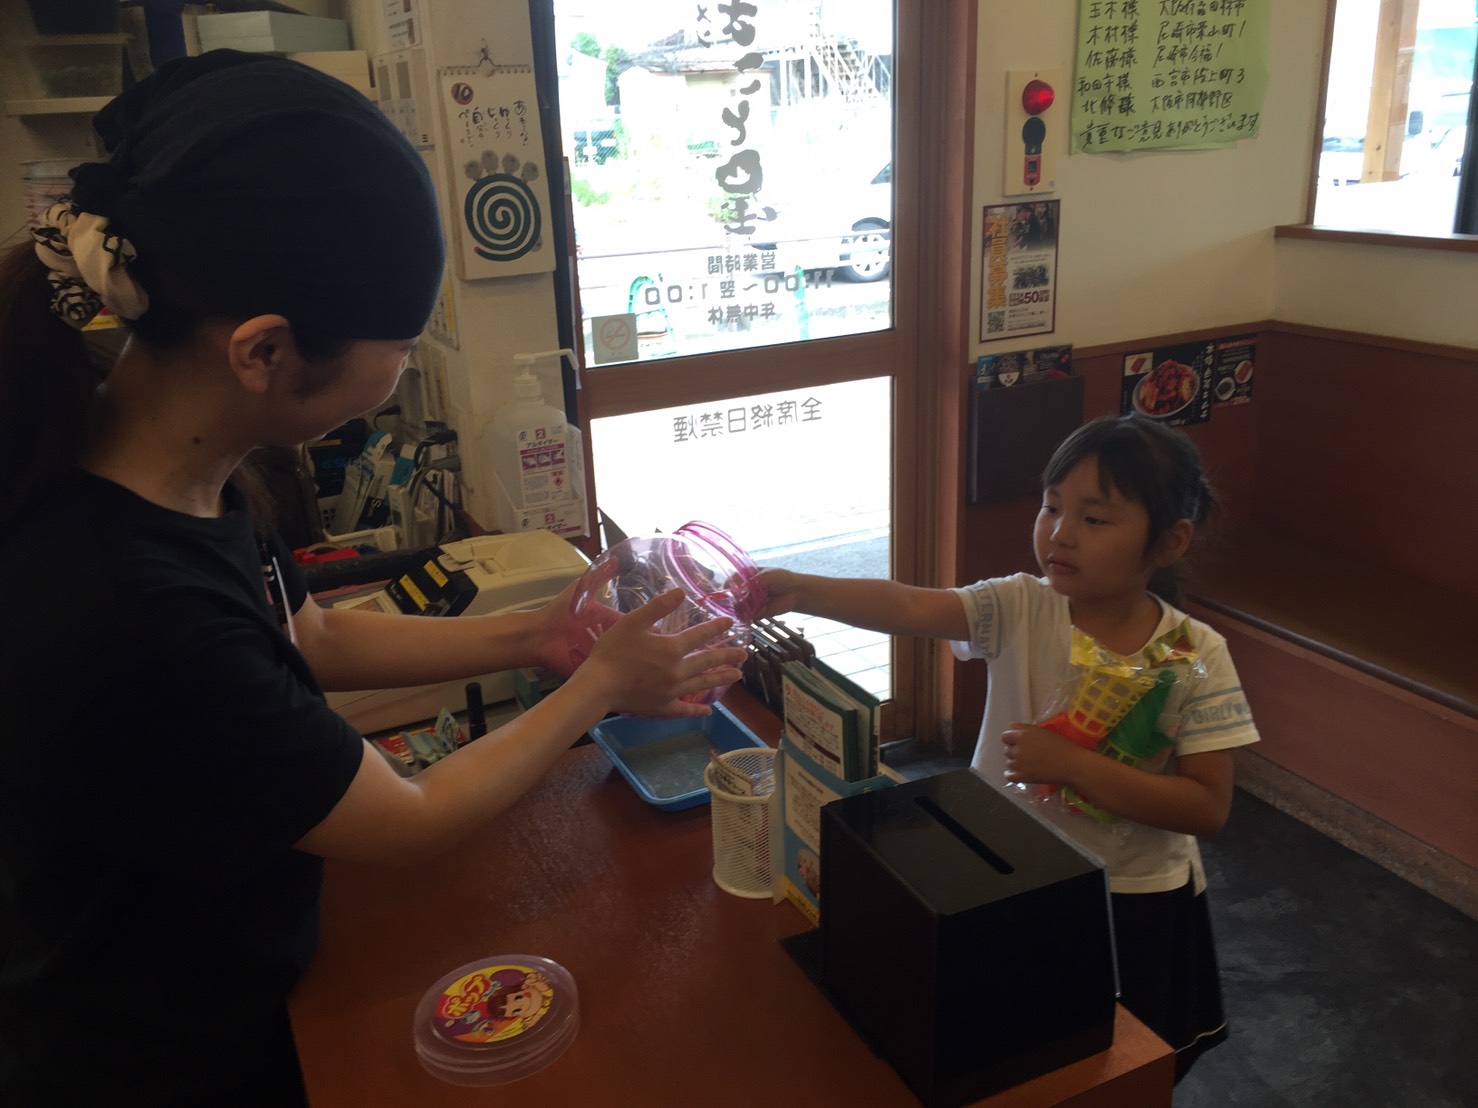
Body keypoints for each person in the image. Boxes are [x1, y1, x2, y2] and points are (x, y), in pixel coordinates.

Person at [0, 52, 747, 1105]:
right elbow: (405, 819)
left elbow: (307, 635)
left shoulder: (178, 464)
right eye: (399, 343)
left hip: (250, 976)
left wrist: (530, 636)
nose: (400, 367)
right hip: (154, 1052)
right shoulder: (122, 602)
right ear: (263, 351)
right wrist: (598, 687)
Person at [759, 413, 1259, 1081]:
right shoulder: (1022, 607)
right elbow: (911, 607)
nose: (1060, 532)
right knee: (1005, 1051)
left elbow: (1207, 806)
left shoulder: (1198, 654)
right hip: (1002, 870)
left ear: (1169, 541)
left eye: (1095, 518)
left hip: (1129, 896)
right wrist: (801, 590)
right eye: (1052, 506)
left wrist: (1073, 767)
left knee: (1117, 1064)